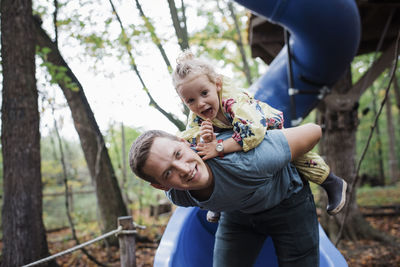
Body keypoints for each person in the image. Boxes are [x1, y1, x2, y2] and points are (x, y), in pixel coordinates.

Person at [171, 50, 347, 222]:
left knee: (294, 155)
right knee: (204, 151)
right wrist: (192, 143)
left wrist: (219, 147)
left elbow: (253, 132)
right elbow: (190, 137)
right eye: (191, 101)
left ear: (217, 84)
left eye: (204, 93)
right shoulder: (196, 115)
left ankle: (331, 181)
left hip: (263, 127)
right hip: (236, 133)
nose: (200, 103)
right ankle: (218, 204)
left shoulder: (234, 102)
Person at [129, 123, 321, 266]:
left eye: (178, 154)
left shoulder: (245, 162)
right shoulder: (179, 195)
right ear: (161, 186)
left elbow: (313, 130)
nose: (184, 169)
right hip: (239, 212)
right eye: (167, 173)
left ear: (184, 142)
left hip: (288, 202)